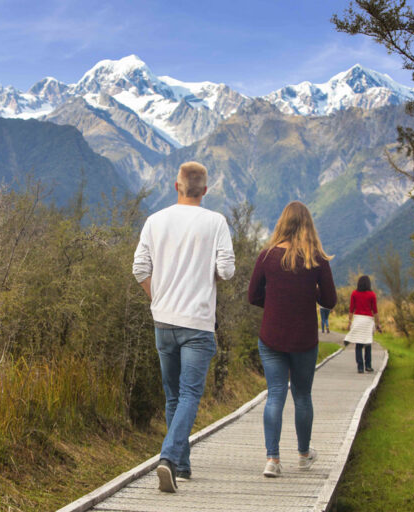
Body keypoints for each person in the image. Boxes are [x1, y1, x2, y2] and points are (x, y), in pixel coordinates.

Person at [132, 161, 235, 493]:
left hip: (163, 320)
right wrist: (208, 278)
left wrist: (158, 296)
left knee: (173, 395)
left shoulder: (155, 221)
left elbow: (139, 268)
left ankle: (182, 464)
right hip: (198, 322)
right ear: (205, 191)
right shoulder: (216, 222)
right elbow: (228, 270)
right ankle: (168, 458)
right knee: (190, 393)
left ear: (176, 186)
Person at [247, 201, 336, 478]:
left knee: (275, 394)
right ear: (308, 225)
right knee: (302, 395)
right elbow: (330, 300)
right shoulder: (317, 259)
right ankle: (303, 453)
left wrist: (274, 304)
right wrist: (312, 293)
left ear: (282, 223)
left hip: (271, 336)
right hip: (304, 339)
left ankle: (272, 459)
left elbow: (253, 296)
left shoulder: (267, 255)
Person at [344, 275, 381, 373]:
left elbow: (351, 309)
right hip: (368, 321)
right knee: (367, 343)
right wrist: (378, 324)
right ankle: (368, 365)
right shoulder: (372, 294)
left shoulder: (354, 294)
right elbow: (375, 311)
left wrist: (349, 322)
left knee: (358, 345)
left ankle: (360, 367)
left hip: (358, 320)